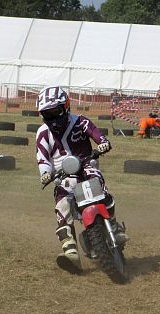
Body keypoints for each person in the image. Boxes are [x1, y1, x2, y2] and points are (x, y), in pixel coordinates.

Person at [35, 86, 127, 273]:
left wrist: (103, 143)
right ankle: (70, 253)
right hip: (62, 176)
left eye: (56, 111)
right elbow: (43, 158)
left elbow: (97, 135)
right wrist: (45, 173)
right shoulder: (43, 133)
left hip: (87, 164)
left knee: (100, 187)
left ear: (66, 107)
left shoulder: (80, 122)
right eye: (48, 114)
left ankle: (114, 226)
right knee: (62, 205)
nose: (53, 117)